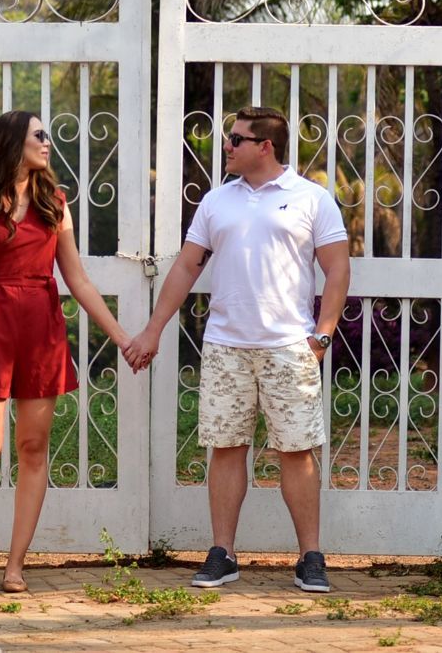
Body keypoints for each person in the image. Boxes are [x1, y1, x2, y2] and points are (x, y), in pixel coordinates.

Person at [122, 105, 351, 594]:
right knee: (225, 449)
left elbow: (337, 270)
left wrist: (322, 336)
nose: (226, 145)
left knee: (297, 451)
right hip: (226, 346)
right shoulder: (216, 202)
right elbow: (186, 268)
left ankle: (311, 556)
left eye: (236, 139)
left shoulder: (312, 199)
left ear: (265, 146)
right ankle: (222, 553)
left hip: (290, 347)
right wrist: (153, 330)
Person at [0, 109, 130, 594]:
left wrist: (121, 337)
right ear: (12, 143)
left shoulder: (56, 203)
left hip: (41, 329)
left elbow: (79, 280)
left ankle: (15, 566)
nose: (47, 143)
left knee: (33, 448)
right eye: (38, 136)